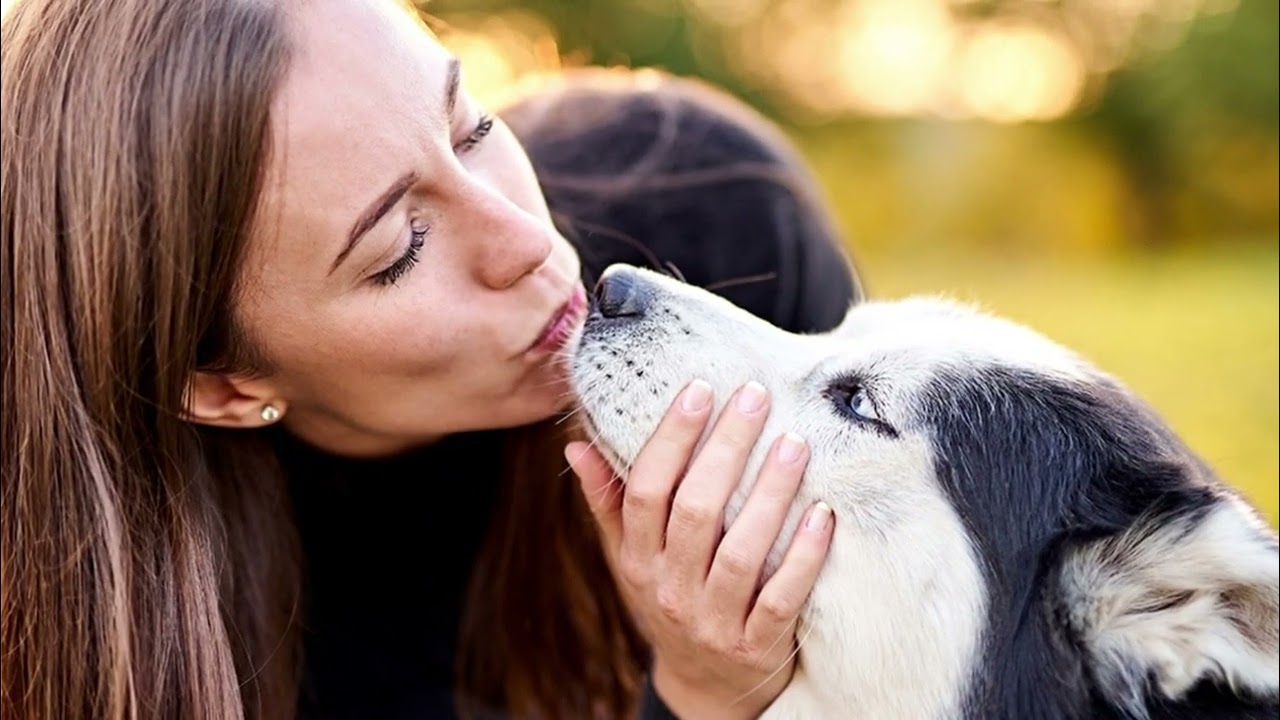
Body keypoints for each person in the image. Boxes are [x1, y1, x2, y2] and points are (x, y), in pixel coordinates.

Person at [0, 1, 862, 719]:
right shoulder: (153, 655)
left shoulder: (710, 212)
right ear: (223, 387)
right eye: (400, 249)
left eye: (471, 125)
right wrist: (707, 697)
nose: (528, 241)